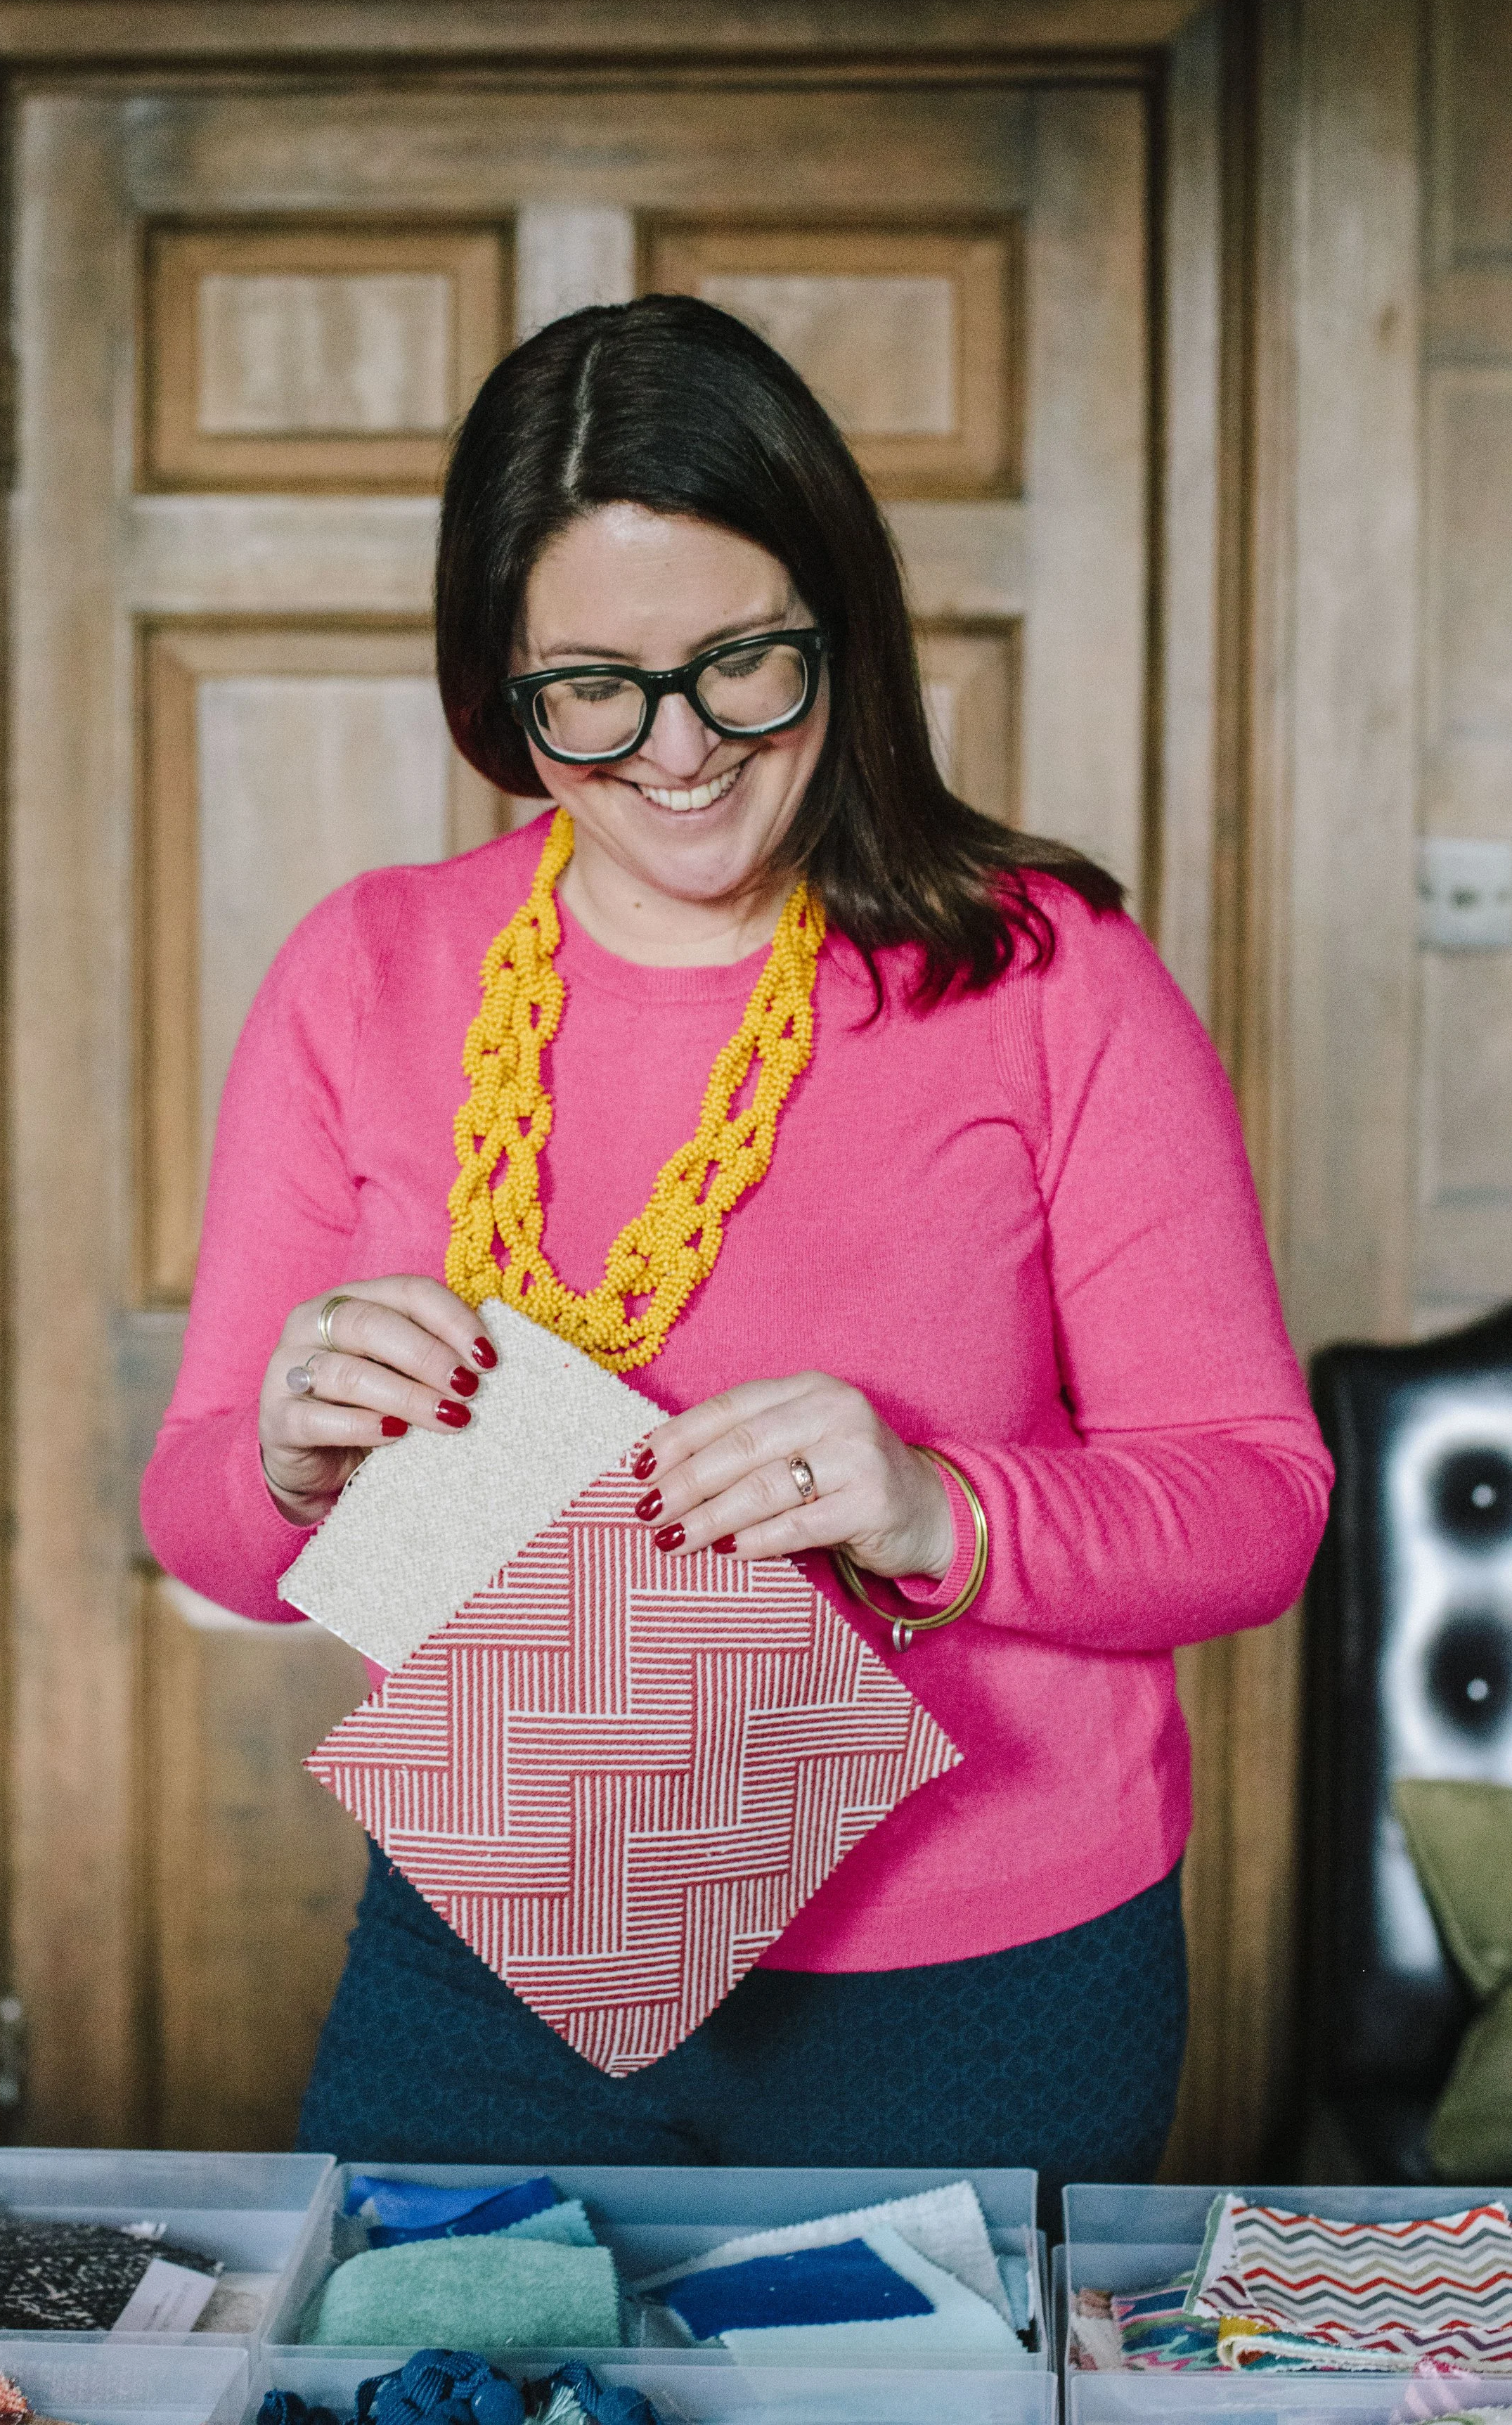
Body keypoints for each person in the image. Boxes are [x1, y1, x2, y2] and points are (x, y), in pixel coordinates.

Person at [141, 294, 1331, 2182]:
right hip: (492, 1953)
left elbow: (1256, 1503)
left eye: (739, 668)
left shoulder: (1047, 977)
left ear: (836, 637)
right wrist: (286, 1450)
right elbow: (205, 1522)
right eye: (589, 688)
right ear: (497, 684)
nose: (675, 751)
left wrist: (937, 1505)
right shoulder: (366, 970)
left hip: (988, 1986)